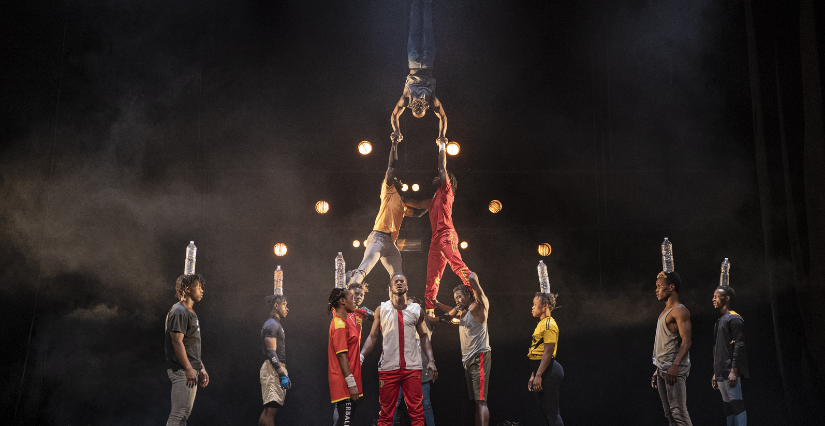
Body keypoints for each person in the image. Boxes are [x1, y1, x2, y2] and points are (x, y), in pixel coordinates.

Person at [405, 139, 473, 318]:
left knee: (455, 263)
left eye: (439, 176)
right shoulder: (434, 197)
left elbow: (442, 168)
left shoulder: (446, 191)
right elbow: (418, 204)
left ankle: (475, 292)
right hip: (436, 239)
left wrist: (442, 146)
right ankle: (429, 312)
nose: (434, 177)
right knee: (432, 276)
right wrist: (396, 200)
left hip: (446, 234)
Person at [361, 273, 438, 426]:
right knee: (386, 415)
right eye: (396, 281)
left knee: (417, 414)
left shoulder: (416, 310)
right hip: (389, 368)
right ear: (390, 287)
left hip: (412, 368)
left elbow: (424, 336)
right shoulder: (381, 309)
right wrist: (361, 356)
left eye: (402, 281)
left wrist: (431, 360)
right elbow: (373, 336)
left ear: (407, 286)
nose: (399, 283)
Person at [348, 141, 419, 288]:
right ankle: (348, 297)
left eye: (399, 180)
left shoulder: (402, 203)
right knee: (365, 268)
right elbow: (392, 167)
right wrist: (394, 144)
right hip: (378, 237)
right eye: (396, 179)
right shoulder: (388, 190)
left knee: (398, 276)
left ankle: (398, 303)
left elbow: (418, 212)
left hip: (390, 244)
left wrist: (434, 199)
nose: (399, 180)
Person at [430, 272, 490, 426]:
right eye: (455, 297)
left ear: (468, 295)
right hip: (468, 361)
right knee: (477, 402)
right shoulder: (463, 313)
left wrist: (472, 279)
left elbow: (479, 292)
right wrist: (436, 303)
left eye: (459, 296)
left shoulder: (479, 308)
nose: (457, 300)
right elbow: (450, 312)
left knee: (481, 401)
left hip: (479, 357)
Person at [390, 0, 447, 145]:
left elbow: (395, 115)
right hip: (428, 62)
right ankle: (427, 2)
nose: (418, 106)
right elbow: (443, 117)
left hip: (413, 61)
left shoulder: (406, 99)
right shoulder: (431, 101)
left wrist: (397, 130)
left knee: (414, 28)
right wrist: (441, 135)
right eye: (420, 109)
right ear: (425, 108)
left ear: (412, 108)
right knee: (427, 28)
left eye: (416, 109)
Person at [165, 274, 209, 425]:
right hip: (182, 370)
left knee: (184, 416)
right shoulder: (178, 311)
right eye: (199, 287)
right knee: (178, 414)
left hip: (190, 368)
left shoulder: (190, 312)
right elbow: (177, 341)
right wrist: (189, 368)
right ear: (188, 289)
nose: (202, 290)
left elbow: (190, 345)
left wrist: (200, 367)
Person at [651, 271, 693, 426]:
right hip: (663, 369)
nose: (656, 290)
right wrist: (658, 368)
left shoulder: (679, 311)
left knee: (678, 412)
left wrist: (675, 365)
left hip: (673, 370)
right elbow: (665, 343)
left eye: (659, 286)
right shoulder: (664, 312)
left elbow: (687, 341)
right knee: (670, 414)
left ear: (671, 287)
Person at [332, 276, 375, 425]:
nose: (358, 297)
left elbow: (378, 317)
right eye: (354, 294)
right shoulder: (340, 315)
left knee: (346, 419)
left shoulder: (360, 312)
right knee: (343, 419)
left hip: (353, 372)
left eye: (361, 295)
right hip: (344, 374)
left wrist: (362, 355)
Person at [392, 296, 436, 426]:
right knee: (394, 403)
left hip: (421, 369)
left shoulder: (426, 321)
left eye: (411, 305)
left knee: (425, 404)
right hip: (401, 369)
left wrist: (431, 361)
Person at [711, 286, 749, 426]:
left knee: (736, 403)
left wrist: (734, 370)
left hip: (730, 370)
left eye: (716, 296)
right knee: (727, 407)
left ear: (727, 298)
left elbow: (739, 344)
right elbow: (717, 347)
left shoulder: (734, 319)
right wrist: (716, 372)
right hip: (721, 370)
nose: (713, 299)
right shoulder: (720, 320)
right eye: (713, 296)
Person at [527, 292, 563, 426]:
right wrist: (533, 374)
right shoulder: (542, 323)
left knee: (552, 414)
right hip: (541, 369)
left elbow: (548, 352)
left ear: (545, 306)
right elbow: (538, 350)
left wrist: (539, 375)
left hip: (549, 371)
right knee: (546, 413)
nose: (532, 307)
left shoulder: (549, 325)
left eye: (535, 305)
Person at [328, 288, 363, 426]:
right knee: (345, 423)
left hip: (348, 381)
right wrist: (351, 383)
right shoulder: (339, 324)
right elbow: (342, 356)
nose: (355, 300)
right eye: (351, 297)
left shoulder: (345, 321)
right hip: (344, 383)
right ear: (342, 301)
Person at [258, 294, 292, 426]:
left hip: (273, 369)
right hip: (273, 370)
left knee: (268, 412)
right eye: (284, 305)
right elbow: (271, 351)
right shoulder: (271, 324)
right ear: (276, 306)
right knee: (270, 413)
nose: (287, 308)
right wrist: (281, 374)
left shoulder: (274, 324)